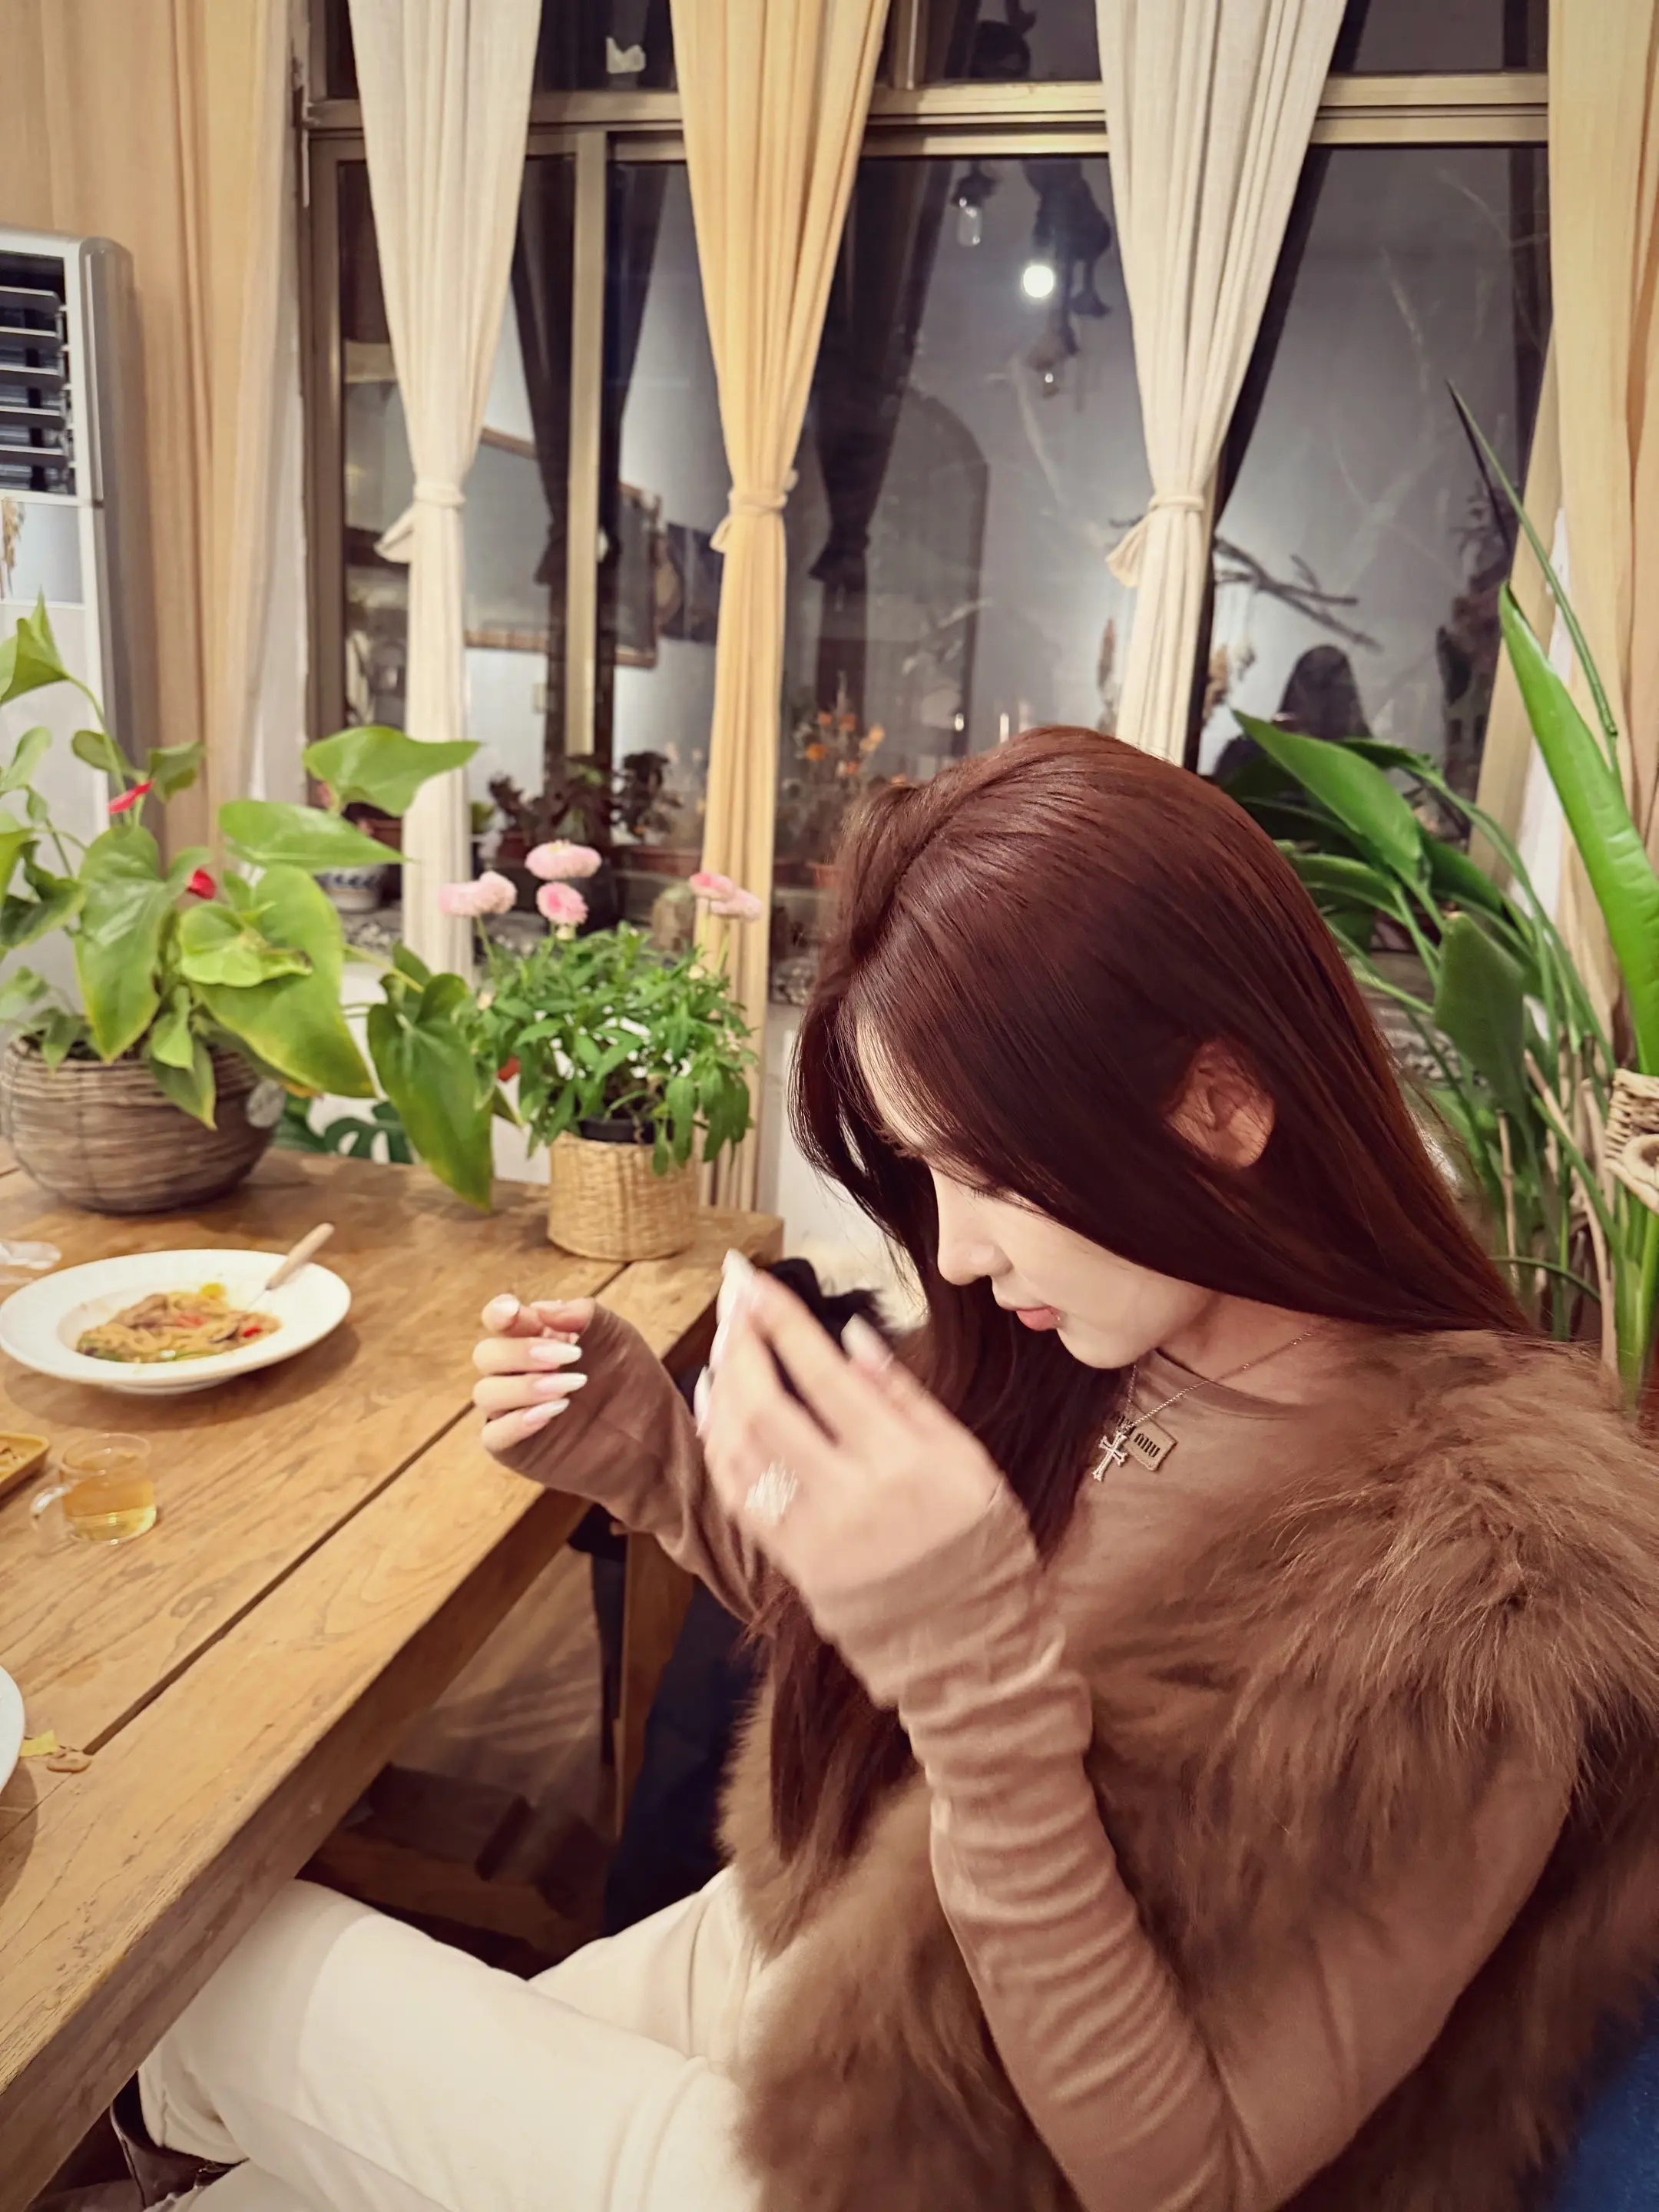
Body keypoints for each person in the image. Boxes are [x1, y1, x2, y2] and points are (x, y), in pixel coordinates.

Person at [134, 728, 1659, 2212]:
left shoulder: (1499, 1582)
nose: (961, 1251)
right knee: (270, 2175)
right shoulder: (1095, 1338)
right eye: (925, 1173)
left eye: (989, 1176)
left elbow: (1192, 2178)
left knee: (198, 1967)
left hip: (914, 2160)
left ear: (1222, 1105)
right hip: (810, 1957)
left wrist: (982, 1689)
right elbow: (891, 1652)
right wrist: (656, 1469)